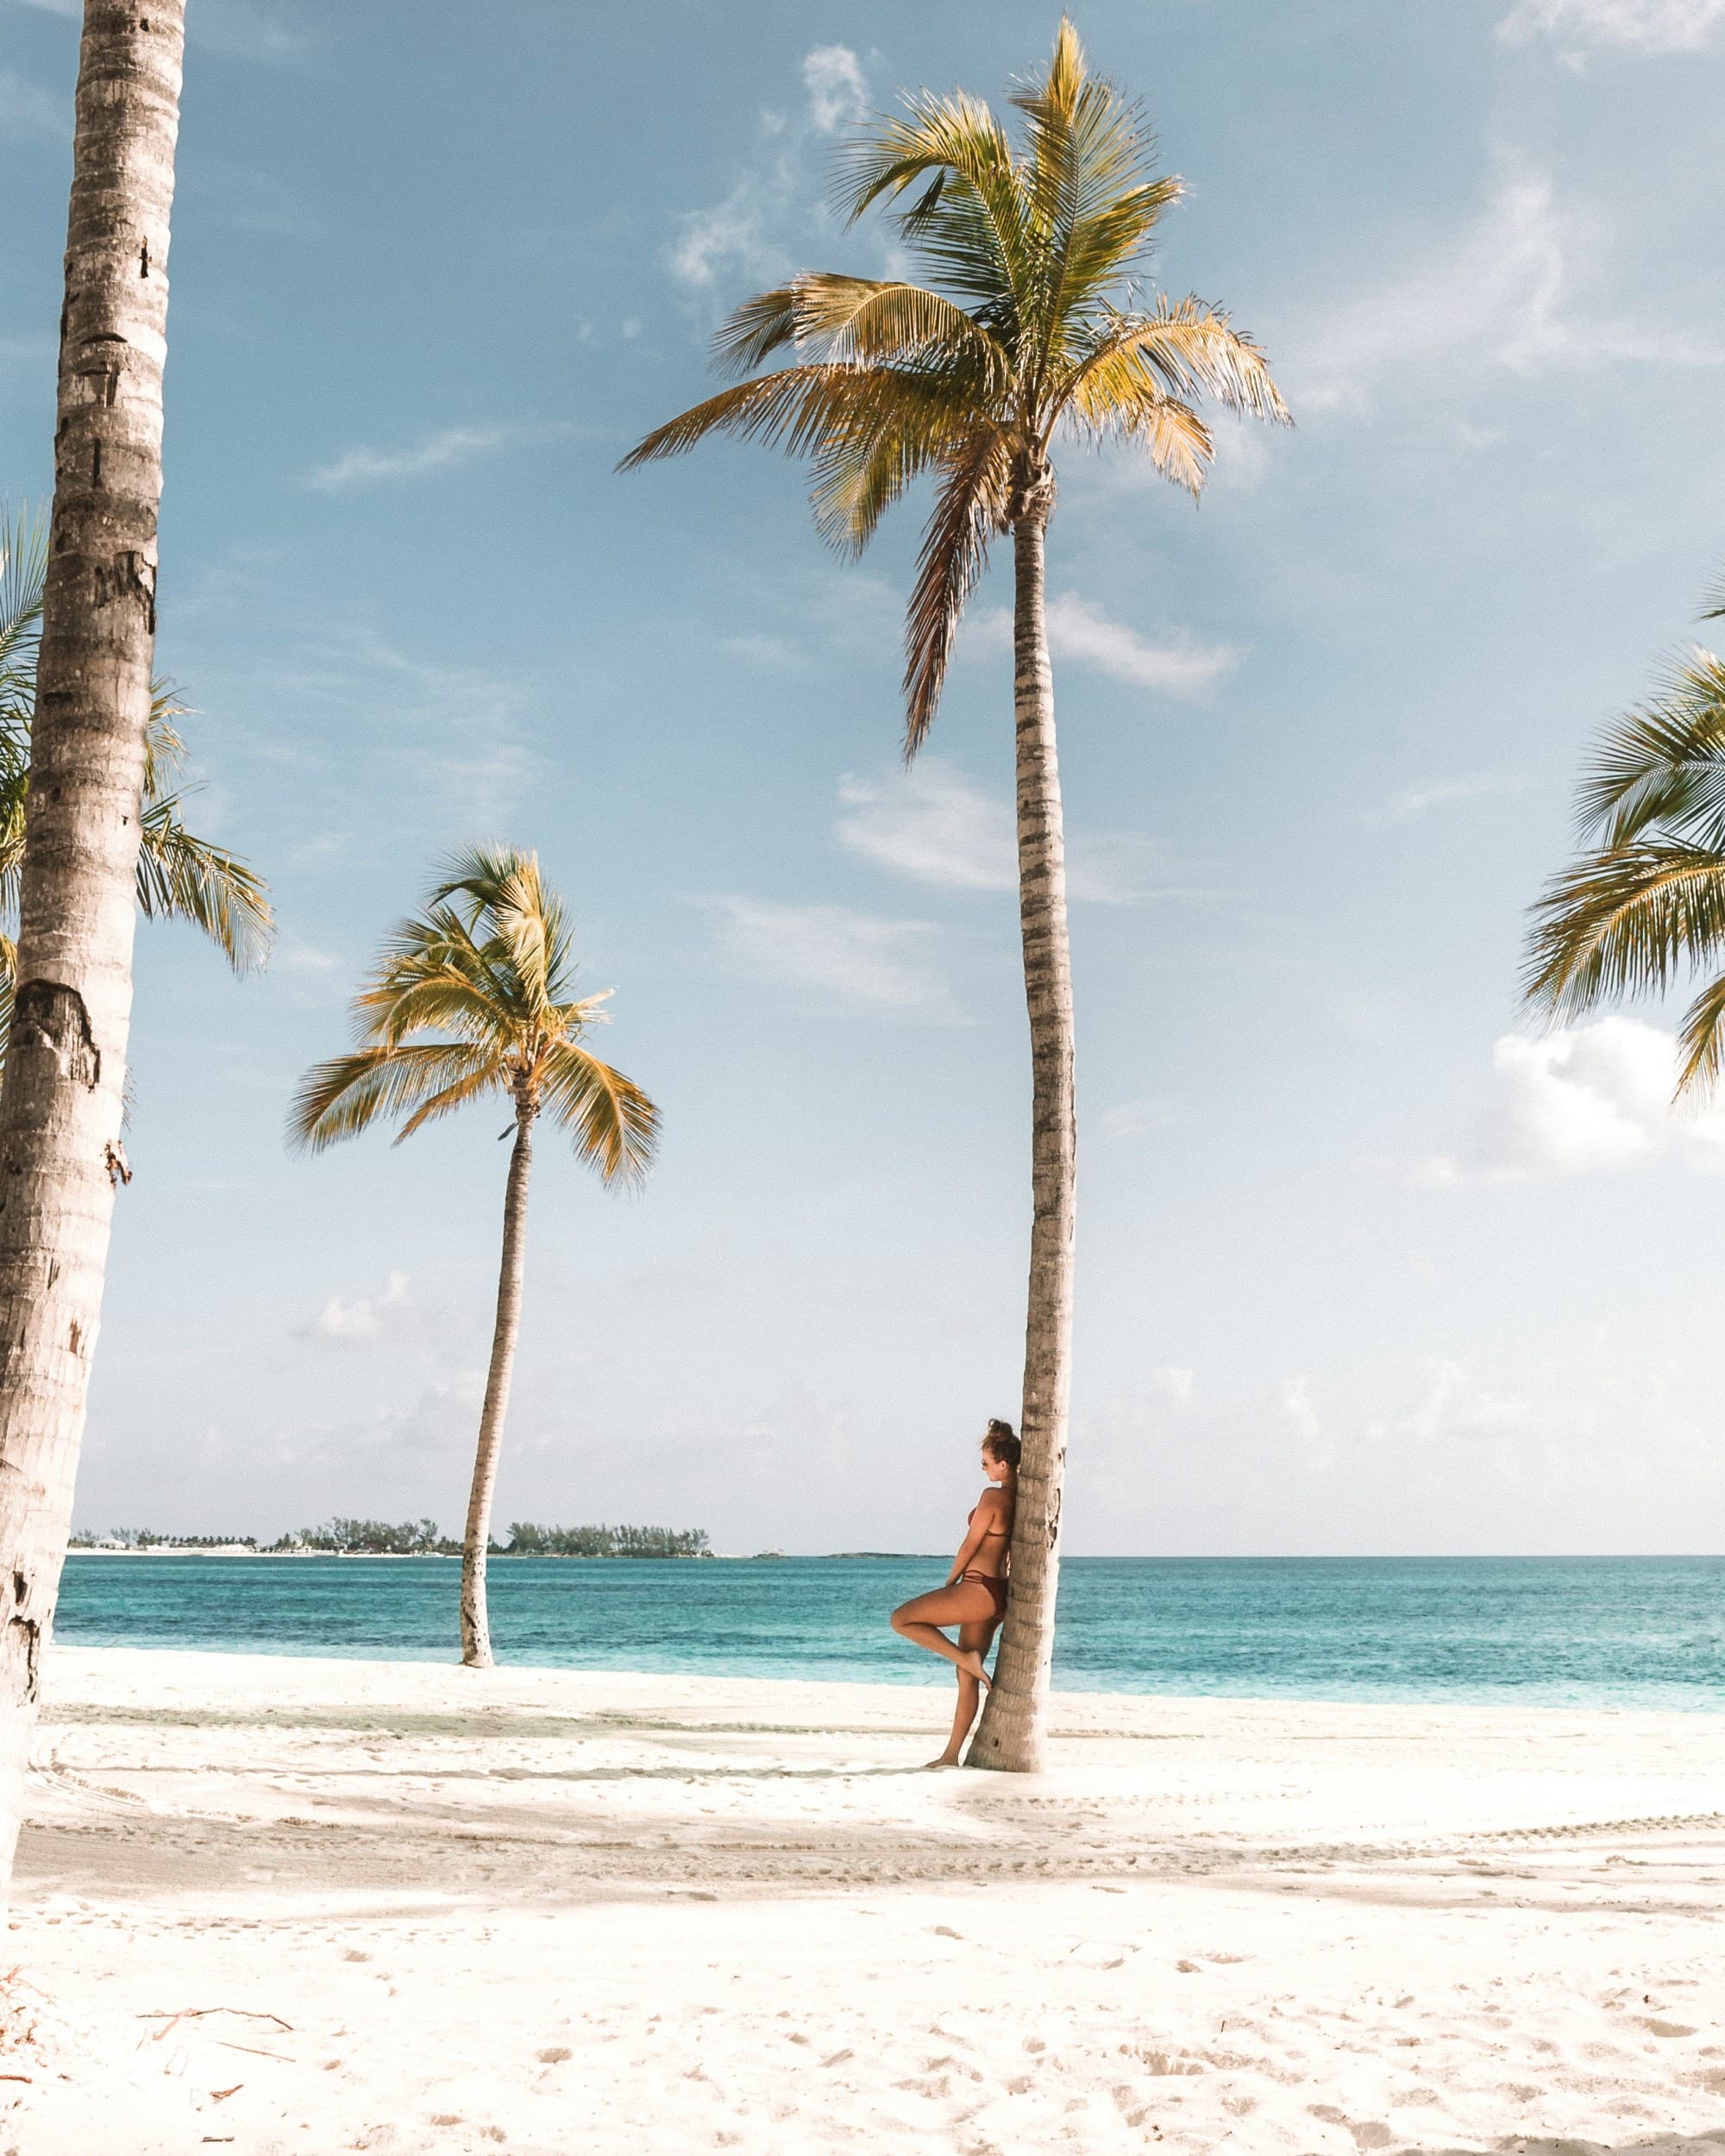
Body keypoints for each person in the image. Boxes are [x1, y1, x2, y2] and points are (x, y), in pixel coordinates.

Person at [889, 1419, 1019, 1767]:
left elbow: (969, 1545)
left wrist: (950, 1584)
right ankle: (950, 1755)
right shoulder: (1020, 1499)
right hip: (997, 1597)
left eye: (986, 1463)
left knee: (902, 1619)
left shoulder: (992, 1497)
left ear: (1002, 1465)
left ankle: (966, 1660)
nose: (983, 1469)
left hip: (978, 1589)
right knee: (966, 1681)